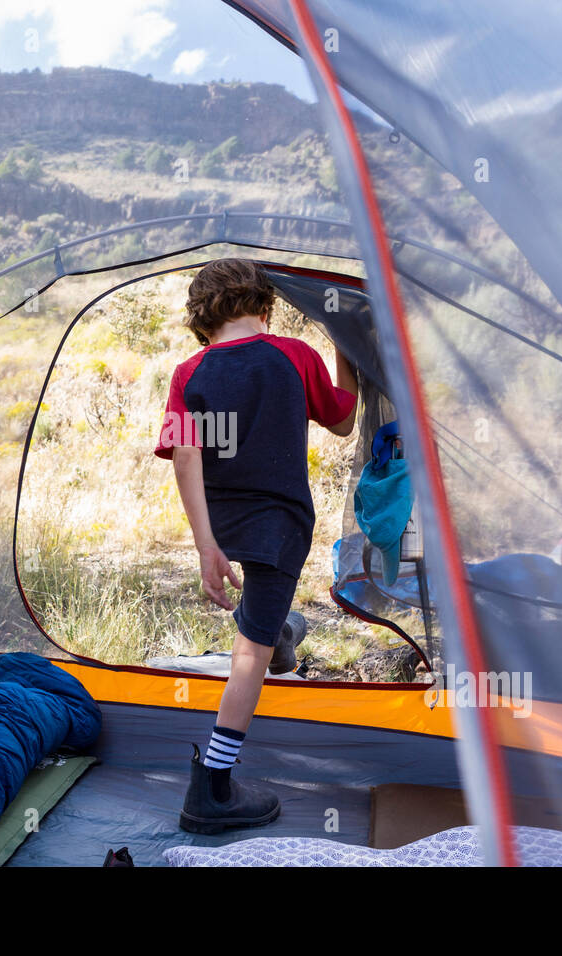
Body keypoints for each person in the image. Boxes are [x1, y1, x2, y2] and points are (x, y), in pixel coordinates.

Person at [153, 258, 358, 834]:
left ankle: (281, 631)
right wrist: (346, 346)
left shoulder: (188, 372)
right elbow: (342, 420)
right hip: (279, 525)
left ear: (202, 318)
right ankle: (211, 791)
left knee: (266, 631)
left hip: (222, 521)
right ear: (265, 307)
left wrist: (205, 546)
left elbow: (187, 456)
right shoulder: (294, 355)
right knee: (252, 653)